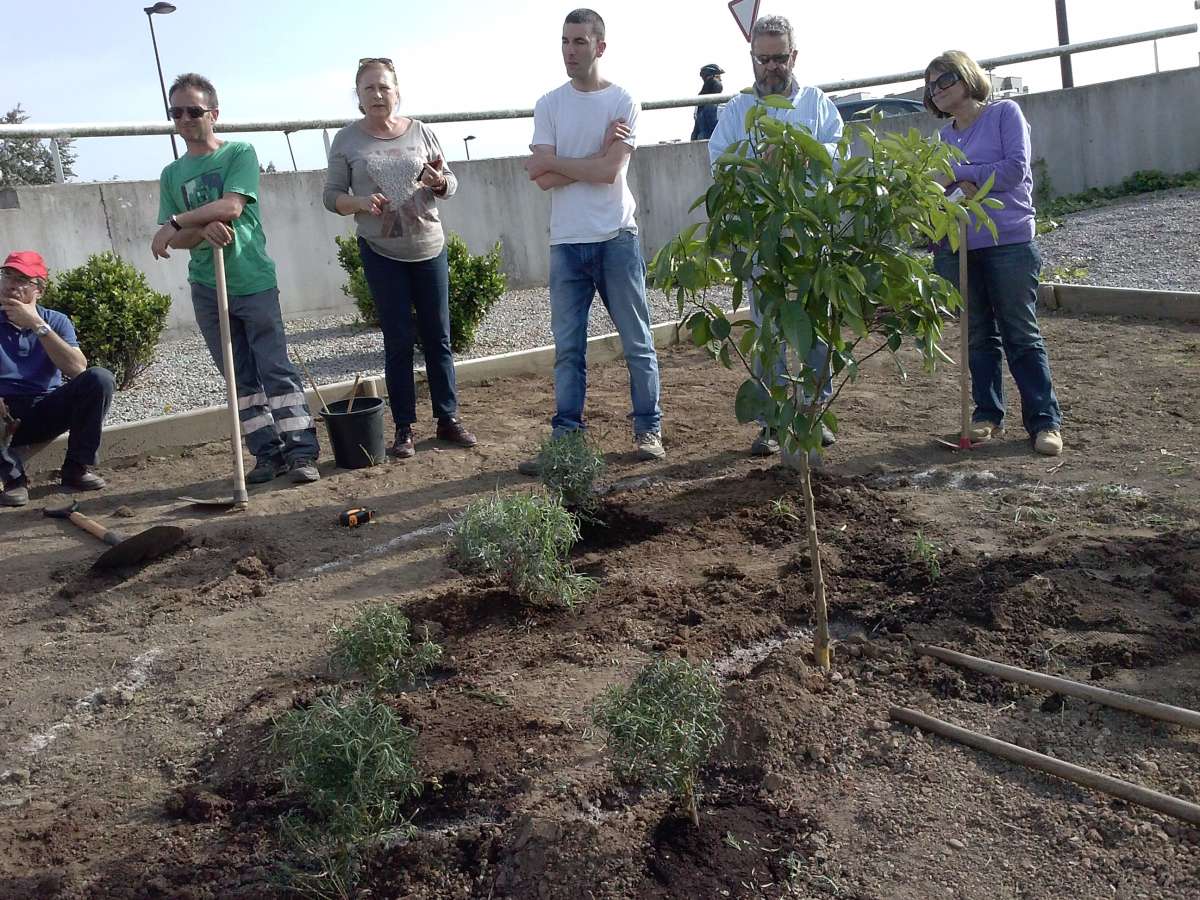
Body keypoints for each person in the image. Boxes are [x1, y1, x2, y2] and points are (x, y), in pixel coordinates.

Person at [151, 73, 322, 484]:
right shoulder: (171, 174)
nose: (186, 118)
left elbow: (230, 207)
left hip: (252, 279)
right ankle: (268, 455)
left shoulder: (240, 153)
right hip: (208, 287)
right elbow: (183, 240)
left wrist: (179, 221)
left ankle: (301, 451)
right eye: (177, 112)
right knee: (238, 375)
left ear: (213, 113)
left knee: (275, 368)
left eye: (194, 110)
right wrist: (197, 228)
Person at [520, 7, 664, 473]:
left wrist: (567, 162)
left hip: (616, 239)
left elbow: (606, 173)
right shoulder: (548, 104)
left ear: (600, 47)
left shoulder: (622, 101)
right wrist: (595, 157)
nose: (570, 50)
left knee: (637, 342)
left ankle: (649, 429)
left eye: (580, 41)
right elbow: (540, 177)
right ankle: (567, 441)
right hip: (566, 243)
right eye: (565, 41)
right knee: (568, 351)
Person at [323, 58, 476, 459]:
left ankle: (448, 419)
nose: (377, 95)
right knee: (398, 341)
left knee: (438, 337)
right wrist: (358, 201)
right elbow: (330, 196)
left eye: (384, 87)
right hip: (381, 252)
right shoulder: (347, 141)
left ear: (397, 91)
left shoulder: (421, 132)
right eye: (369, 88)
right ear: (358, 96)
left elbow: (450, 182)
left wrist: (439, 182)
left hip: (429, 247)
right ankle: (404, 428)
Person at [708, 14, 843, 457]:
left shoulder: (817, 104)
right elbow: (718, 161)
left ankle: (812, 414)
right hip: (762, 235)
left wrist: (799, 154)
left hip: (808, 234)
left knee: (815, 327)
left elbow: (838, 155)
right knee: (768, 327)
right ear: (752, 59)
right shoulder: (737, 109)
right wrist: (753, 166)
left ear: (793, 56)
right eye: (763, 58)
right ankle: (771, 420)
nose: (771, 67)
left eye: (779, 57)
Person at [924, 51, 1062, 456]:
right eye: (931, 86)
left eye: (945, 79)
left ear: (966, 75)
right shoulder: (944, 139)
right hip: (960, 246)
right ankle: (987, 415)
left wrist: (963, 175)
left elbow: (1014, 170)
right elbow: (945, 188)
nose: (939, 89)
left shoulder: (1004, 114)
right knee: (978, 335)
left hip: (1009, 242)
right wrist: (944, 192)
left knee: (1021, 333)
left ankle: (1044, 422)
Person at [1, 251, 115, 507]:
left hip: (44, 409)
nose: (10, 284)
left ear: (39, 289)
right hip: (2, 412)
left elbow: (77, 369)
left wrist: (37, 324)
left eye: (22, 279)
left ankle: (76, 468)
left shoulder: (55, 321)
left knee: (100, 379)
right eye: (7, 275)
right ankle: (13, 480)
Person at [690, 63, 724, 141]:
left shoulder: (699, 104)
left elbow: (695, 133)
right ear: (711, 78)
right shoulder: (711, 106)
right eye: (718, 77)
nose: (720, 80)